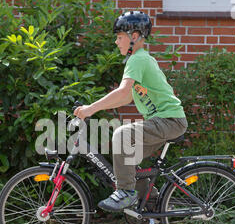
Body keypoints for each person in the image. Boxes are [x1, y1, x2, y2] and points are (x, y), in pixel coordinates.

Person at [73, 11, 187, 212]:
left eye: (119, 37)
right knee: (128, 158)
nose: (116, 42)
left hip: (170, 120)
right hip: (167, 121)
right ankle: (150, 201)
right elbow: (126, 98)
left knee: (122, 135)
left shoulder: (138, 59)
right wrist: (95, 109)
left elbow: (123, 91)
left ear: (134, 37)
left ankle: (126, 192)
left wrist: (90, 109)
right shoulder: (139, 59)